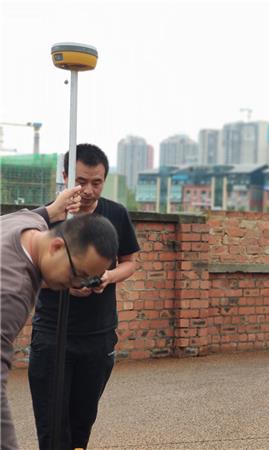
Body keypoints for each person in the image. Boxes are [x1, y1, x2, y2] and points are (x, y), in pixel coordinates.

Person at [28, 143, 140, 450]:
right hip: (53, 335)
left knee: (82, 424)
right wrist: (64, 283)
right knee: (52, 429)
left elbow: (130, 262)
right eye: (80, 182)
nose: (88, 190)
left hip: (98, 336)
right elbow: (31, 273)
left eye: (96, 182)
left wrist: (107, 276)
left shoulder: (115, 213)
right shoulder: (48, 217)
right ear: (65, 177)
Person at [1, 195, 119, 450]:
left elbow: (38, 215)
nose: (76, 285)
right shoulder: (13, 292)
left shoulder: (27, 223)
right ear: (56, 247)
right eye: (78, 274)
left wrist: (53, 209)